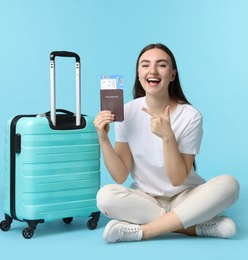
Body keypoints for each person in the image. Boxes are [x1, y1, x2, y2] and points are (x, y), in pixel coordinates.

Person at [94, 43, 240, 243]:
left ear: (172, 75)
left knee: (229, 185)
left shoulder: (191, 116)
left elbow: (177, 179)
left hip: (186, 195)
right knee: (105, 196)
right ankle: (194, 227)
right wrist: (103, 138)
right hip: (147, 199)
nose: (152, 70)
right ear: (138, 74)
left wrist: (168, 137)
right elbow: (120, 175)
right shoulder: (126, 112)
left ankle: (143, 231)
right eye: (145, 65)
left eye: (161, 65)